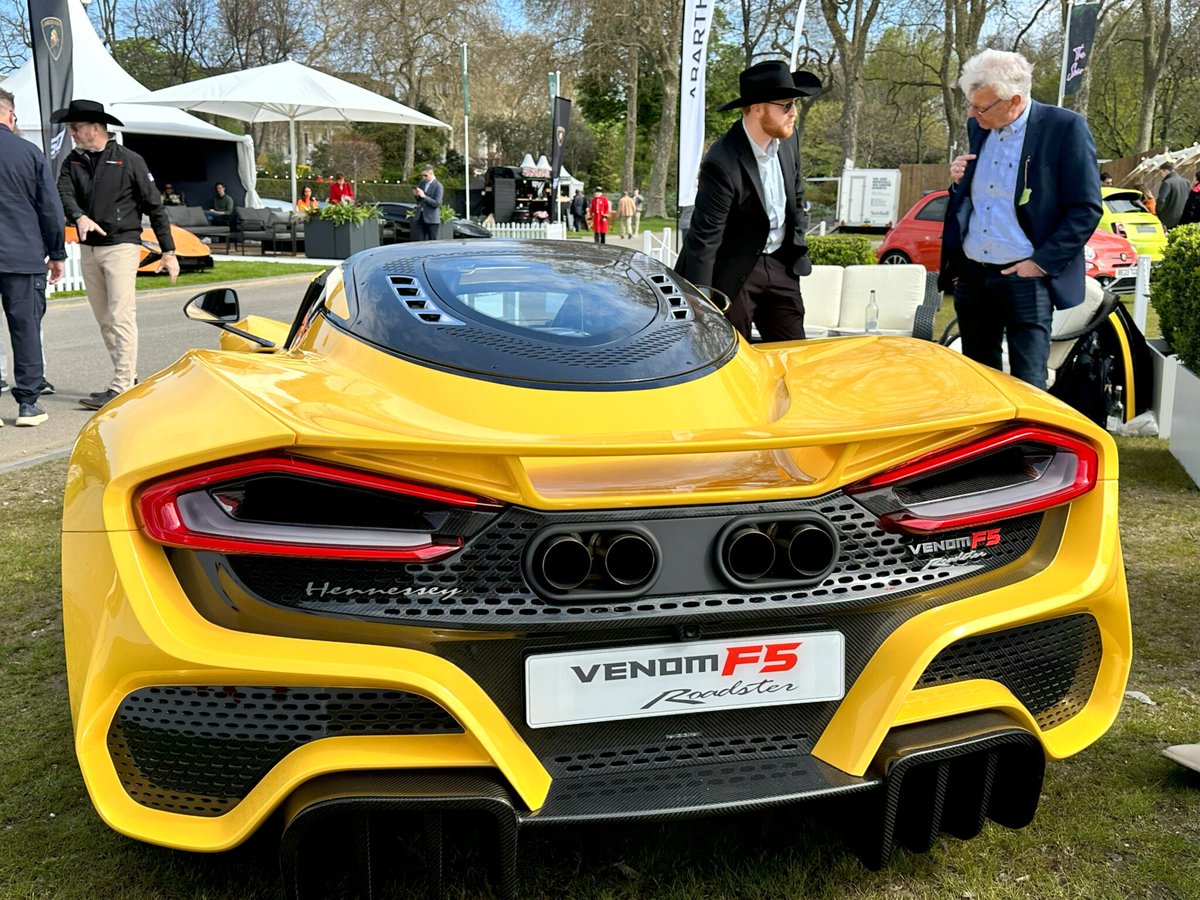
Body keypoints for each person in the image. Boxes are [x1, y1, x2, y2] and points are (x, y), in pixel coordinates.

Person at [940, 49, 1101, 390]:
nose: (972, 113)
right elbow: (980, 196)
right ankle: (986, 444)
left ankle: (1030, 446)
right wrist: (958, 182)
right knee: (978, 382)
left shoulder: (1064, 128)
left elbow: (1085, 209)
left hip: (1026, 278)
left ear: (1013, 100)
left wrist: (1040, 264)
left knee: (1029, 384)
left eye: (980, 107)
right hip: (973, 275)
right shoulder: (979, 126)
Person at [674, 60, 816, 342]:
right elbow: (705, 238)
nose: (794, 113)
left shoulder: (788, 139)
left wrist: (796, 243)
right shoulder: (721, 161)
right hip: (734, 272)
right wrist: (702, 300)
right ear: (757, 108)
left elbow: (796, 196)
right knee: (733, 359)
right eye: (786, 105)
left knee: (794, 352)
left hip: (780, 264)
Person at [54, 98, 179, 411]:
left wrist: (168, 250)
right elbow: (63, 193)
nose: (71, 132)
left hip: (122, 247)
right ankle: (127, 377)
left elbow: (155, 207)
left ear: (95, 128)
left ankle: (121, 385)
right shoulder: (73, 161)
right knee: (105, 319)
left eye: (76, 127)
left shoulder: (128, 159)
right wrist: (79, 216)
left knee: (121, 315)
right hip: (89, 250)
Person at [0, 88, 65, 427]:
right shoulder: (29, 153)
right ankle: (28, 404)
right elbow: (50, 209)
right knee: (25, 328)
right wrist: (57, 252)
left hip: (17, 253)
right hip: (22, 256)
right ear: (11, 116)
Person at [411, 165, 443, 241]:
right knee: (419, 242)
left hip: (432, 219)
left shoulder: (438, 186)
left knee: (432, 242)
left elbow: (437, 203)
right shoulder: (422, 183)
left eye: (425, 175)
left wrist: (424, 196)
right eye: (422, 175)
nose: (423, 177)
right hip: (420, 217)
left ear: (431, 173)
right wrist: (416, 195)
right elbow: (420, 200)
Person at [1156, 161, 1190, 229]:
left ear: (1166, 171)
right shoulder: (1186, 182)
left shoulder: (1167, 183)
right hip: (1183, 218)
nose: (1161, 175)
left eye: (1161, 172)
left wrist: (1159, 213)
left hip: (1168, 219)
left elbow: (1161, 200)